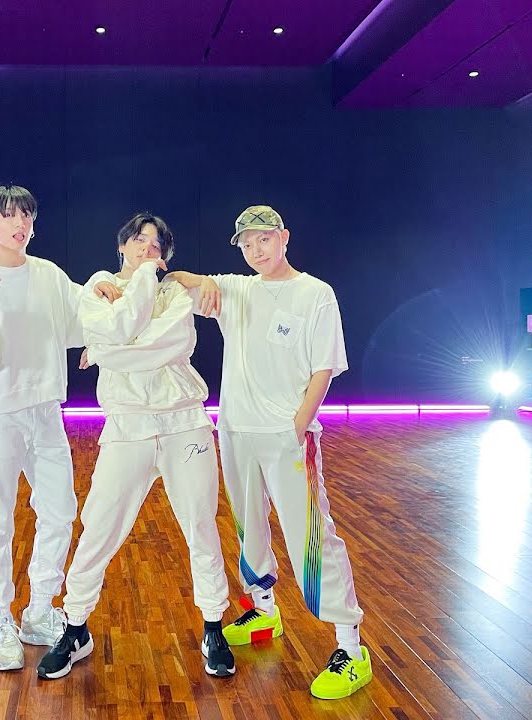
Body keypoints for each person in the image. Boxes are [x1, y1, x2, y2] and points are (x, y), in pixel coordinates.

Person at [166, 205, 371, 699]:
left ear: (284, 237)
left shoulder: (315, 293)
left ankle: (350, 647)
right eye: (246, 243)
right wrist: (196, 280)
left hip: (287, 437)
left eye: (263, 239)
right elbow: (172, 281)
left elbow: (324, 369)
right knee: (248, 526)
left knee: (311, 535)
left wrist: (297, 426)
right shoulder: (237, 289)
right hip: (237, 431)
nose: (256, 250)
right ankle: (263, 611)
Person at [37, 213, 235, 679]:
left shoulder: (175, 294)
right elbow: (117, 329)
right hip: (127, 425)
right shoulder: (97, 289)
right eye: (140, 239)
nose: (148, 247)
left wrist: (106, 351)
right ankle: (75, 626)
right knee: (98, 528)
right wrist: (115, 335)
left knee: (201, 525)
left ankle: (213, 625)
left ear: (165, 257)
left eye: (156, 244)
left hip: (184, 422)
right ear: (122, 245)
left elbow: (170, 343)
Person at [0, 184, 118, 671]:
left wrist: (103, 289)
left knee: (60, 510)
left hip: (45, 410)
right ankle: (0, 618)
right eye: (8, 215)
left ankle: (40, 610)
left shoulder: (49, 276)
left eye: (25, 214)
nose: (19, 223)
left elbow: (84, 312)